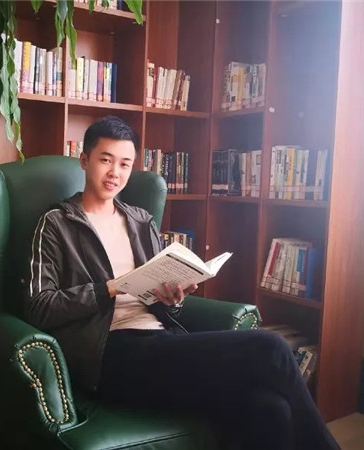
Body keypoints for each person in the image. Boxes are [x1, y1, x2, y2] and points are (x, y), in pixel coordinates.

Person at [24, 115, 339, 450]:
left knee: (270, 407)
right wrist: (111, 287)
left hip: (160, 341)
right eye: (105, 160)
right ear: (85, 160)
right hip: (109, 356)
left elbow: (158, 298)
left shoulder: (139, 221)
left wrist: (173, 297)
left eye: (125, 164)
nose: (115, 172)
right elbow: (39, 307)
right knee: (271, 347)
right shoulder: (57, 223)